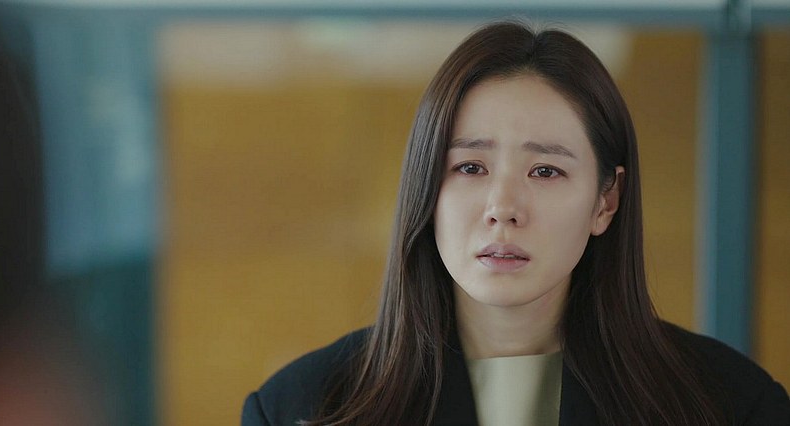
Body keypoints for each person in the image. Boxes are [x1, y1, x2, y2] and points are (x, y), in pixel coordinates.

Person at [241, 21, 790, 426]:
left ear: (606, 201)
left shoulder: (730, 405)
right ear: (425, 188)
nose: (503, 207)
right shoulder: (301, 407)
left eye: (545, 171)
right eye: (470, 167)